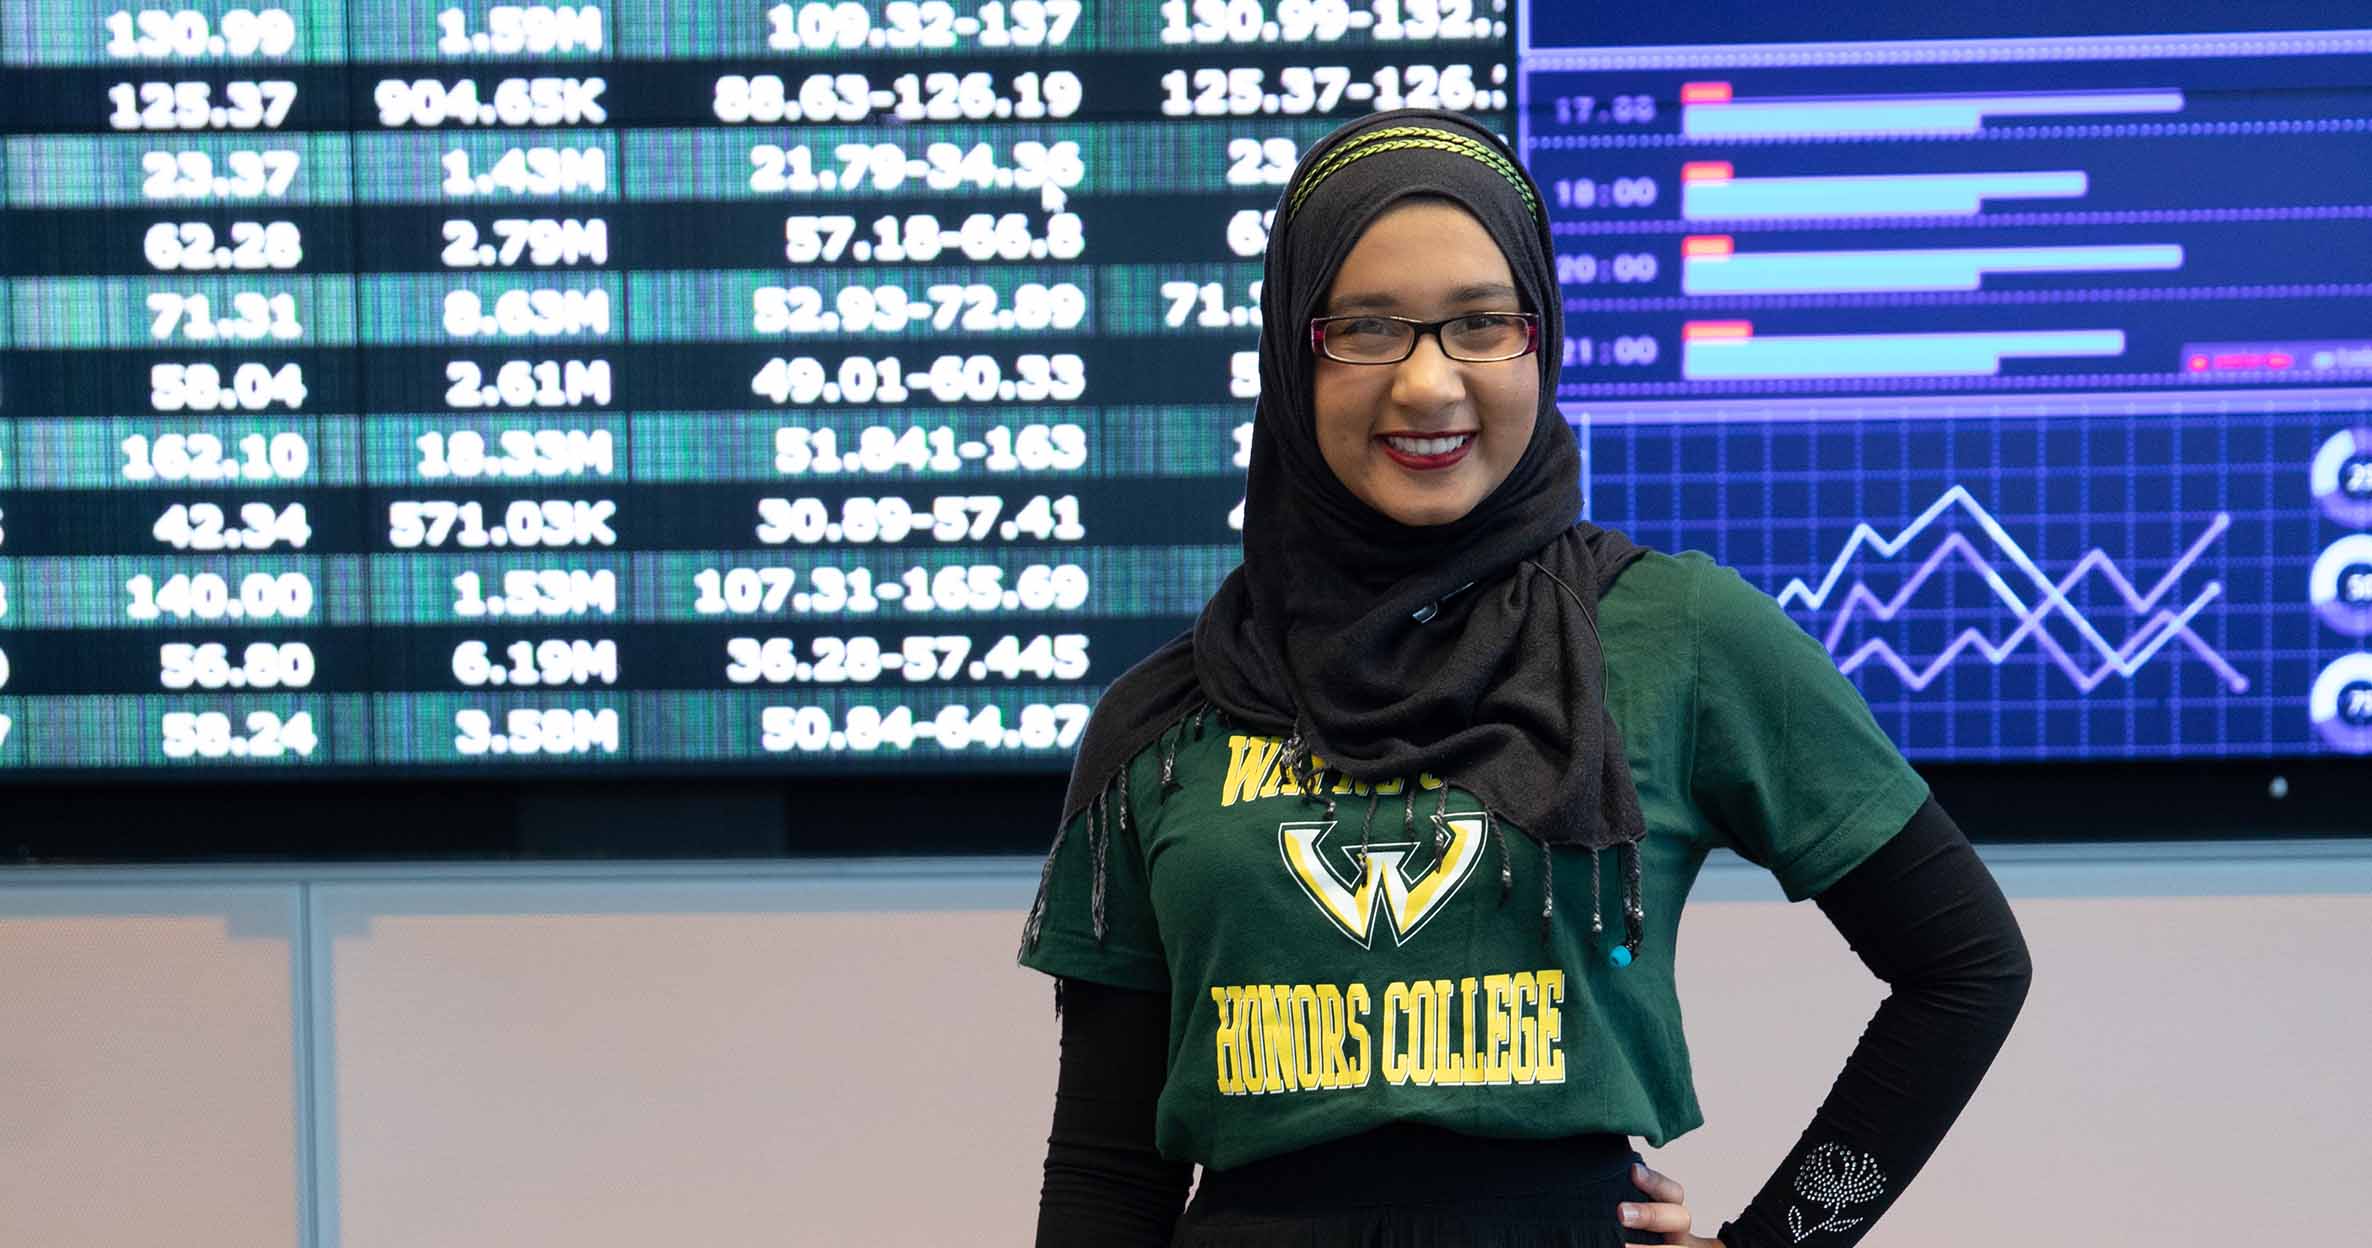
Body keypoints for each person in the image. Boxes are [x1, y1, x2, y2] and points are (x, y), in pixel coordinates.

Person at [1018, 109, 2032, 1246]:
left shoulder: (1672, 634)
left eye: (1480, 326)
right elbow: (1107, 1172)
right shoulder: (1168, 717)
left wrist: (1779, 1243)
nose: (1426, 384)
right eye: (1363, 329)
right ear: (1289, 355)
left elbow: (1965, 967)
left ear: (1539, 340)